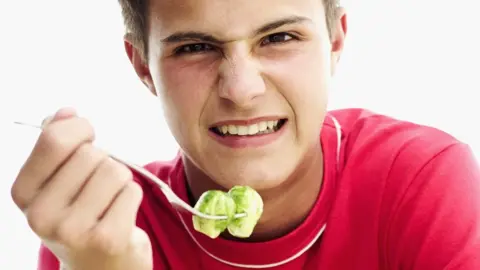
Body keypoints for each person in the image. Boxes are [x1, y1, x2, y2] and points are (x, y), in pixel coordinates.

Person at [10, 0, 480, 269]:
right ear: (142, 67)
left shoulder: (419, 181)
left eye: (279, 38)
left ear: (335, 41)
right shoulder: (100, 233)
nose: (241, 90)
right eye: (195, 47)